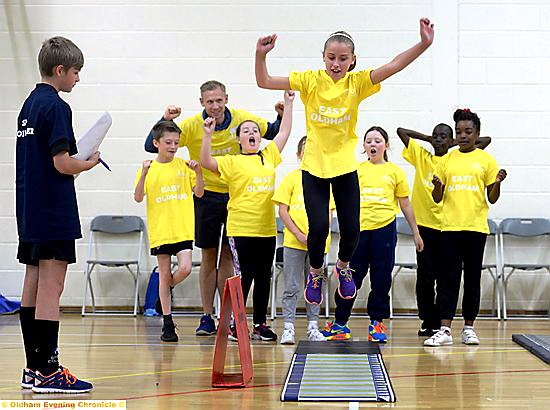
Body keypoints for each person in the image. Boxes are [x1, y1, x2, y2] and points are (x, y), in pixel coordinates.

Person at [255, 19, 434, 307]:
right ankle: (315, 273)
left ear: (353, 60)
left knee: (352, 230)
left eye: (342, 59)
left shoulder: (357, 83)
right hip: (313, 167)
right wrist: (261, 55)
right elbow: (264, 81)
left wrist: (424, 43)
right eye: (331, 58)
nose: (336, 64)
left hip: (344, 167)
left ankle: (342, 266)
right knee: (318, 229)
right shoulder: (310, 80)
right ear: (323, 58)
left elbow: (394, 65)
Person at [144, 80, 284, 336]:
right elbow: (151, 143)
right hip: (206, 196)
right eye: (210, 102)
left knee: (228, 257)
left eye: (219, 100)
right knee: (208, 256)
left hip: (235, 197)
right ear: (201, 103)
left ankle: (227, 317)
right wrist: (164, 117)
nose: (215, 106)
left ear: (226, 98)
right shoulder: (191, 125)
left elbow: (273, 132)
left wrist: (281, 112)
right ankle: (207, 315)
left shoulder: (242, 120)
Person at [16, 36, 99, 393]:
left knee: (33, 284)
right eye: (76, 71)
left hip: (29, 208)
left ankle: (33, 368)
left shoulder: (29, 104)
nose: (78, 78)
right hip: (53, 207)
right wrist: (89, 163)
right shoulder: (56, 106)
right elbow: (62, 163)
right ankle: (49, 370)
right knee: (53, 285)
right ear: (60, 70)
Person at [200, 90, 295, 341]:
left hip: (265, 229)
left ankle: (260, 324)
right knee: (244, 278)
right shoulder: (232, 162)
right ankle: (234, 323)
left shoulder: (268, 156)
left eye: (255, 130)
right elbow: (206, 161)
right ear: (239, 139)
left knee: (264, 277)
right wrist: (207, 136)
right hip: (241, 229)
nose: (252, 133)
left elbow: (284, 132)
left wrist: (288, 103)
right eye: (246, 131)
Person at [321, 126, 424, 342]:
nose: (373, 144)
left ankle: (376, 324)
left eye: (377, 140)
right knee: (350, 278)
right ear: (364, 147)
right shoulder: (355, 171)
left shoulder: (395, 172)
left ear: (386, 145)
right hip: (358, 232)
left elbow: (405, 203)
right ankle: (340, 323)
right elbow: (341, 201)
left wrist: (416, 232)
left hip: (384, 230)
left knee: (381, 278)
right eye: (369, 141)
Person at [397, 125, 491, 337]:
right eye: (436, 136)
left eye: (443, 137)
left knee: (445, 276)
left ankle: (440, 321)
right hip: (425, 226)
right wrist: (427, 138)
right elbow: (401, 131)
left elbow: (485, 140)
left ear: (451, 141)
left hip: (447, 227)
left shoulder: (453, 159)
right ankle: (427, 320)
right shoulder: (423, 156)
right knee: (425, 276)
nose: (439, 140)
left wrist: (457, 143)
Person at [424, 109, 507, 347]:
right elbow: (437, 198)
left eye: (468, 132)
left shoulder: (486, 160)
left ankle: (469, 328)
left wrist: (498, 183)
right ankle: (445, 329)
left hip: (475, 229)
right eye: (459, 132)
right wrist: (438, 185)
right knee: (448, 279)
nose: (463, 136)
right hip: (449, 229)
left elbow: (492, 198)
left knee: (472, 279)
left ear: (477, 133)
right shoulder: (447, 159)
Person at [134, 121, 205, 342]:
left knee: (184, 269)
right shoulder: (149, 168)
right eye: (168, 142)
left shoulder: (184, 166)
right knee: (164, 274)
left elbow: (200, 193)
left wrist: (199, 172)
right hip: (161, 230)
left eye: (176, 142)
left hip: (182, 229)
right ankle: (167, 323)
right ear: (156, 143)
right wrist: (144, 174)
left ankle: (164, 292)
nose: (173, 146)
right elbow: (137, 197)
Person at [272, 136, 334, 344]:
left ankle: (313, 326)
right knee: (291, 286)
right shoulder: (291, 178)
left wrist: (318, 237)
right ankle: (288, 327)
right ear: (299, 155)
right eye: (306, 151)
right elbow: (283, 211)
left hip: (319, 245)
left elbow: (328, 213)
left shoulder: (326, 181)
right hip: (293, 242)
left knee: (313, 285)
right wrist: (299, 234)